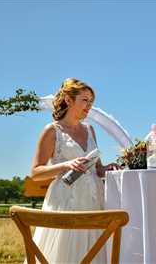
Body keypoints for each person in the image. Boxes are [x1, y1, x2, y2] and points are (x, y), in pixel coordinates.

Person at [29, 78, 115, 263]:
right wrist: (65, 165)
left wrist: (108, 168)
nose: (89, 106)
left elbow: (97, 168)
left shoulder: (90, 130)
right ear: (68, 100)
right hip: (65, 203)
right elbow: (36, 172)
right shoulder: (52, 131)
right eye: (85, 100)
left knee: (94, 251)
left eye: (91, 101)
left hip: (93, 201)